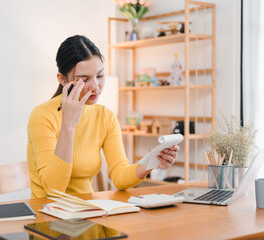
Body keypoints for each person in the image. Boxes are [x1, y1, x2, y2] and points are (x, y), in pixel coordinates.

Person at [27, 35, 179, 198]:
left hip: (87, 211)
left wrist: (151, 161)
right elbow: (53, 190)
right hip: (47, 215)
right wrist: (68, 126)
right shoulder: (42, 116)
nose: (95, 87)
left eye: (99, 76)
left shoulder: (105, 116)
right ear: (63, 80)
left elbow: (119, 176)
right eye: (84, 80)